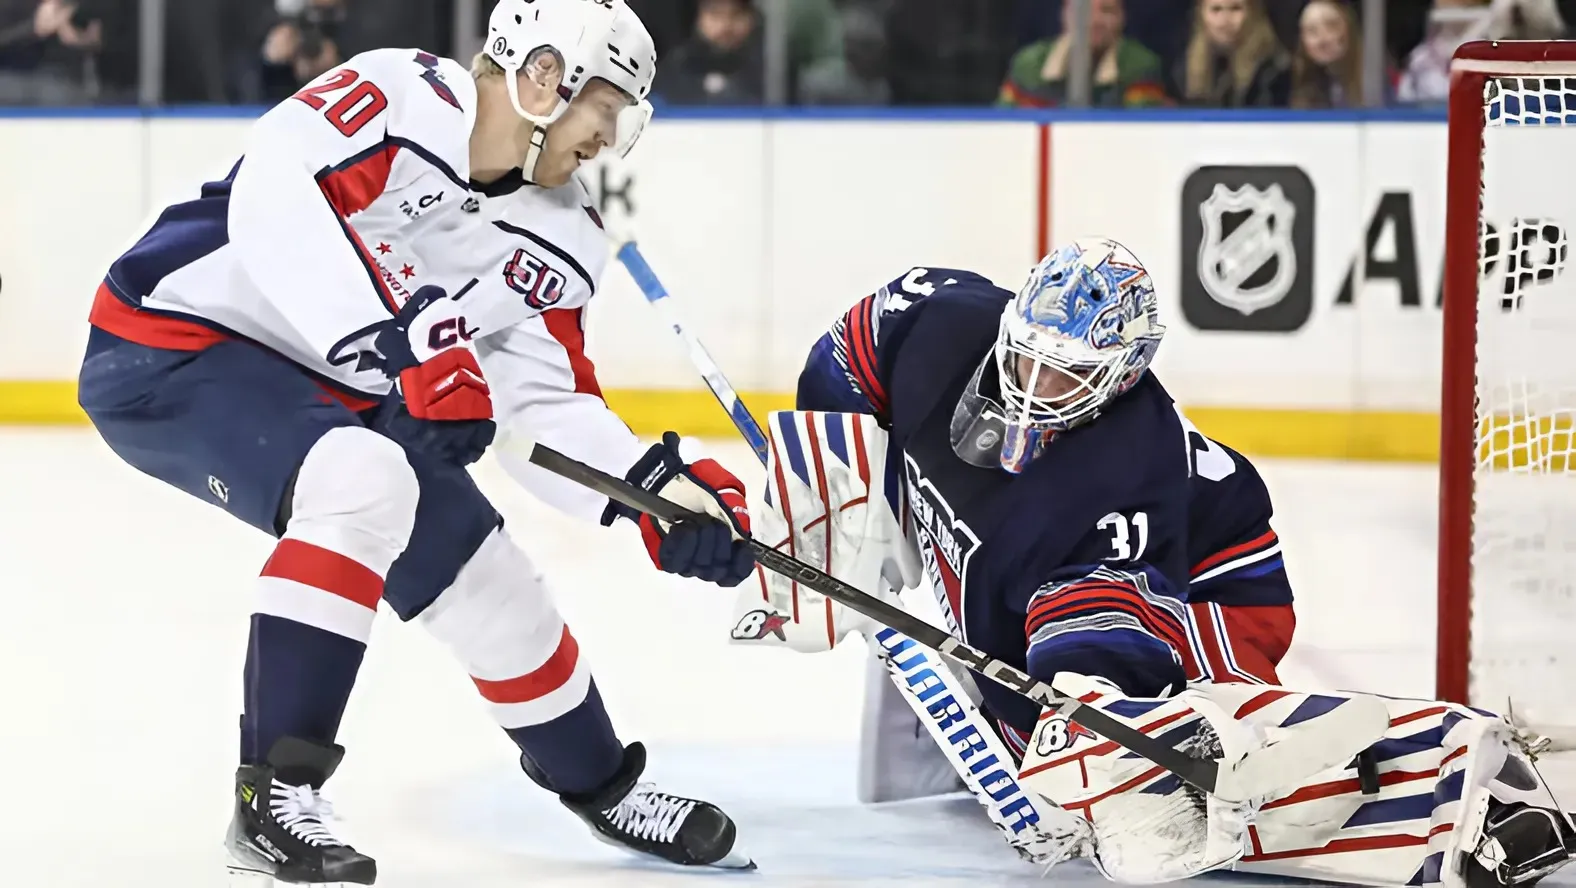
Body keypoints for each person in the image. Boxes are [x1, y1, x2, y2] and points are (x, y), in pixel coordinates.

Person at [75, 0, 757, 883]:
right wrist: (398, 347)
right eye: (609, 105)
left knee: (492, 583)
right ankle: (273, 794)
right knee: (363, 479)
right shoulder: (400, 95)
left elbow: (542, 411)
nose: (610, 136)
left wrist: (649, 491)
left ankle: (602, 787)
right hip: (171, 343)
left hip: (349, 392)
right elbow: (276, 203)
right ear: (545, 75)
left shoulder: (564, 235)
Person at [739, 240, 1576, 884]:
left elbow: (1095, 630)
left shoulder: (1119, 471)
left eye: (1063, 379)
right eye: (1023, 357)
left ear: (1117, 379)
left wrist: (1085, 717)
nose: (1030, 388)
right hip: (1031, 581)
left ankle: (1462, 786)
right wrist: (840, 488)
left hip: (1213, 583)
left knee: (1131, 776)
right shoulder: (938, 317)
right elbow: (842, 362)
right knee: (1017, 734)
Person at [1176, 0, 1290, 108]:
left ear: (1253, 12)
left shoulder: (1273, 68)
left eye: (1236, 8)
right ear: (1201, 15)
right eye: (1216, 9)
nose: (1225, 20)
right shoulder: (1184, 67)